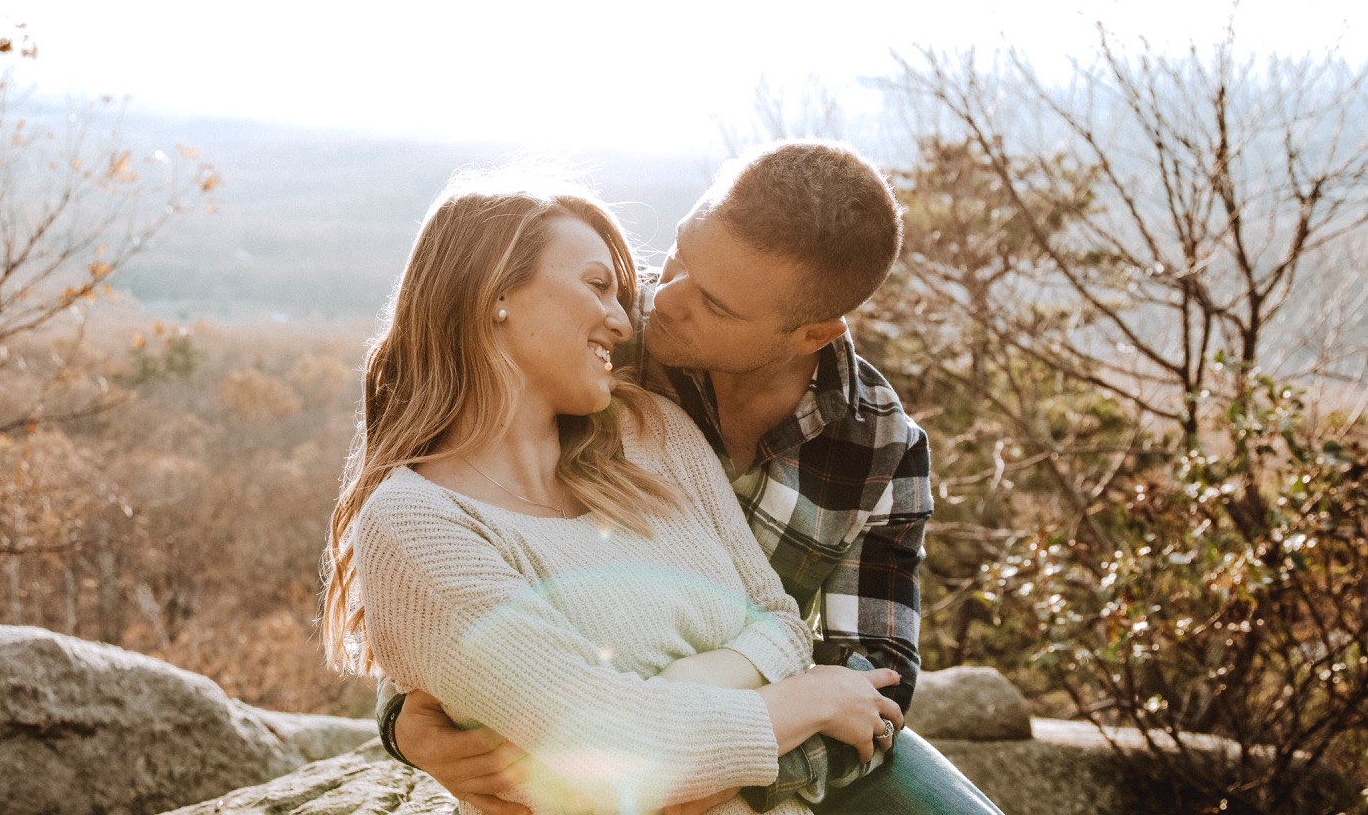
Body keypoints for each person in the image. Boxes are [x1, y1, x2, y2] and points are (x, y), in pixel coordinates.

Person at [380, 143, 1004, 815]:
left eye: (715, 304)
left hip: (783, 738)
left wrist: (691, 773)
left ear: (810, 334)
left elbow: (868, 683)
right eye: (681, 255)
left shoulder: (878, 446)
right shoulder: (599, 347)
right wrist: (402, 723)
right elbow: (439, 532)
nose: (661, 301)